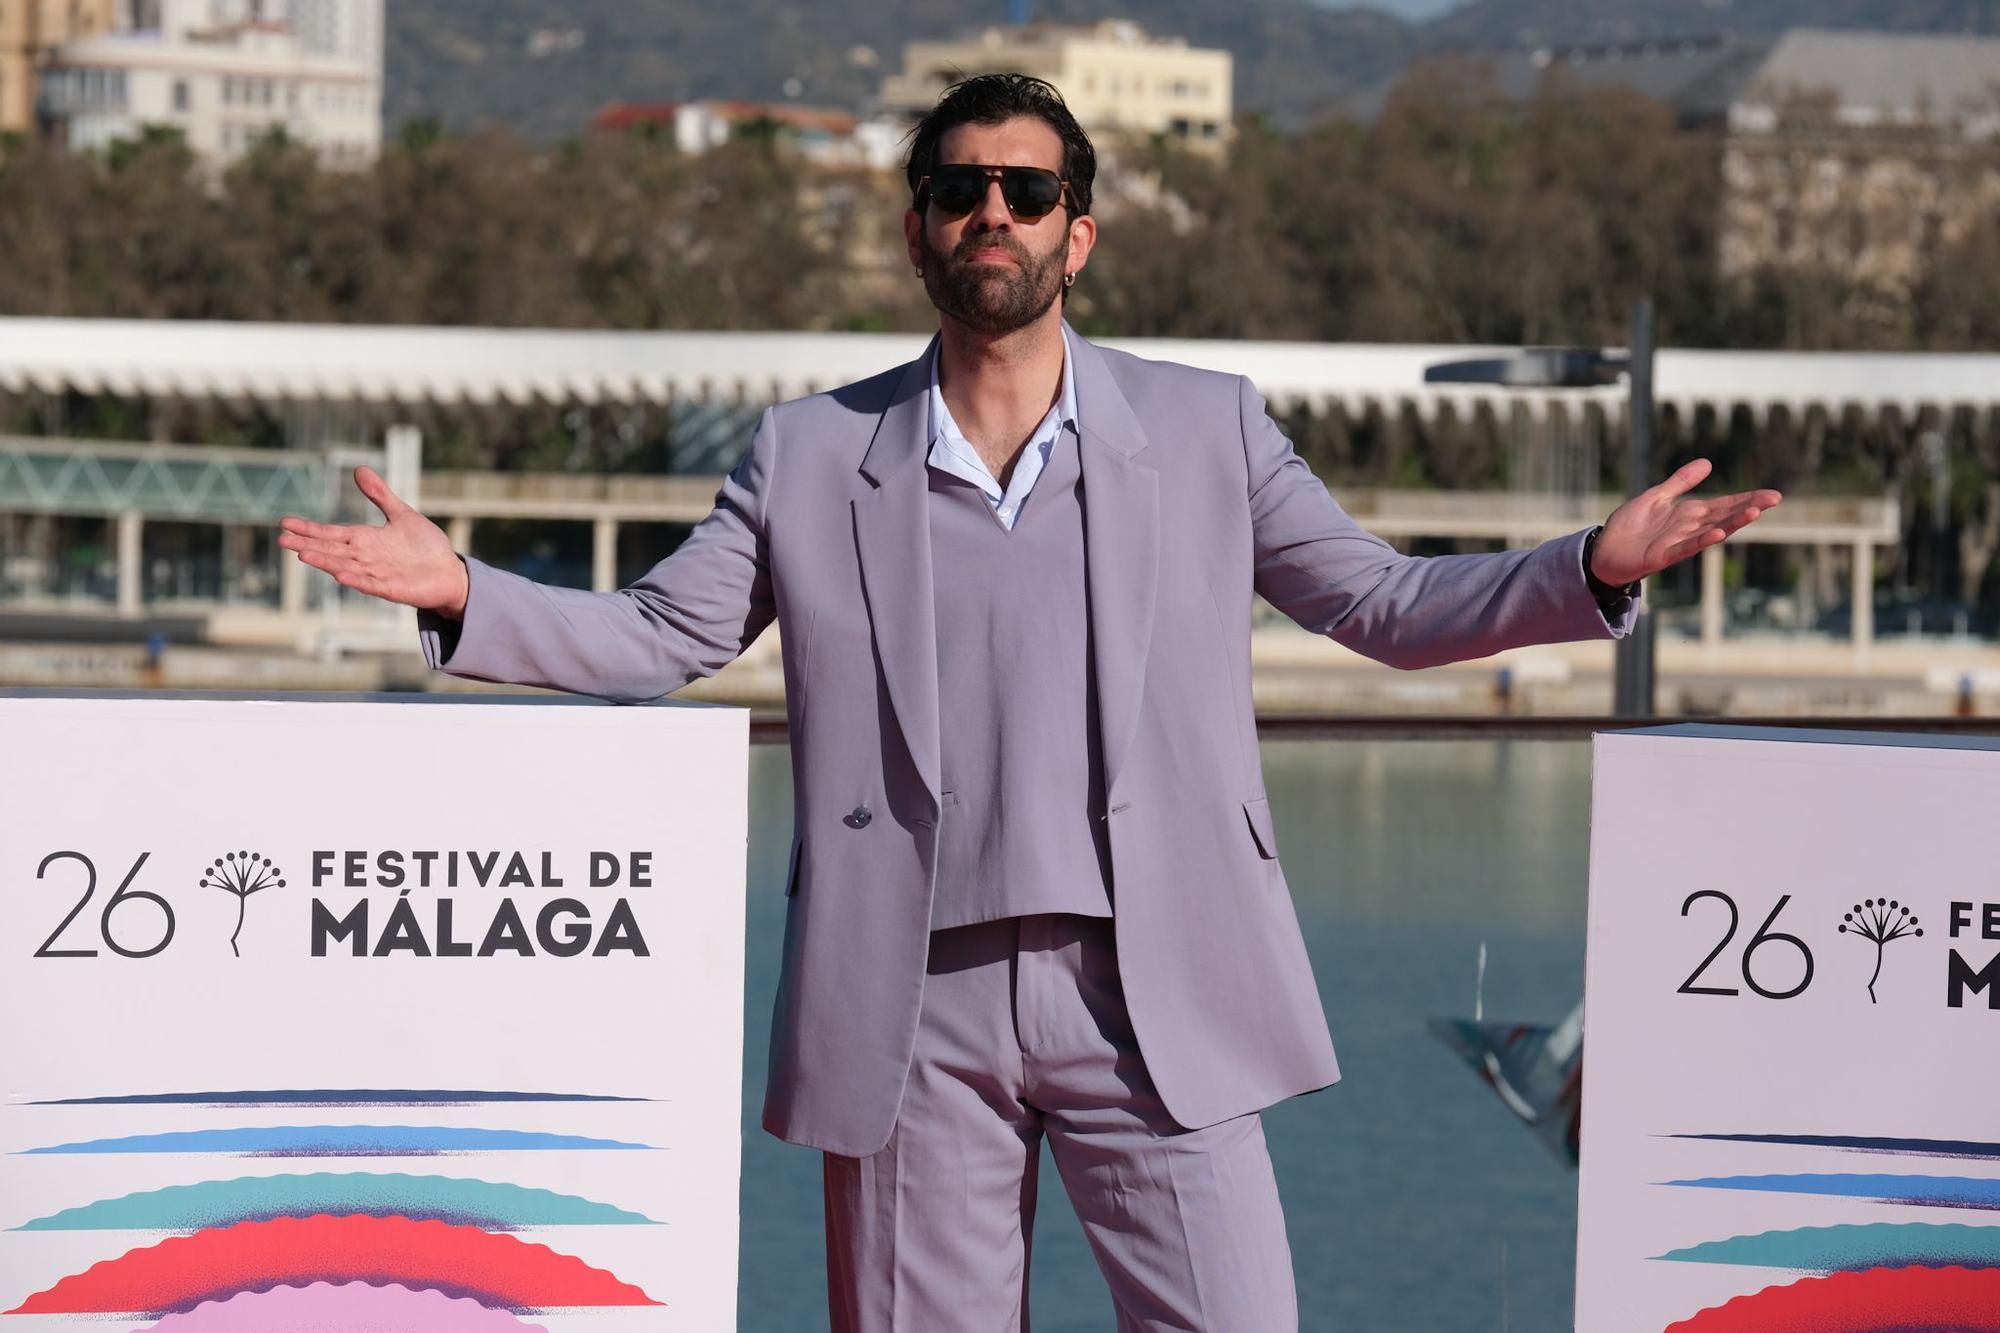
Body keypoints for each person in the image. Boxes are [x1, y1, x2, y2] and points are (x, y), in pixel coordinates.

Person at [278, 73, 1780, 1332]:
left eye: (1027, 187)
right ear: (919, 228)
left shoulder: (1206, 430)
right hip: (906, 1001)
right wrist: (464, 591)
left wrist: (1587, 567)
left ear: (1081, 233)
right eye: (958, 185)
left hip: (1156, 990)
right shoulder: (809, 453)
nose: (991, 208)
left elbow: (1380, 606)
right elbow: (668, 630)